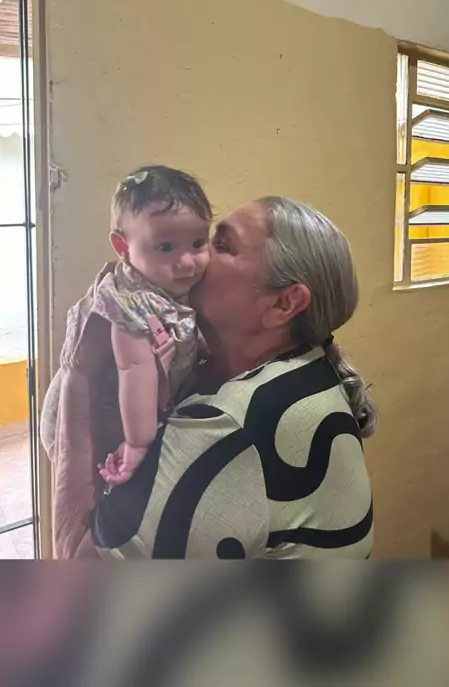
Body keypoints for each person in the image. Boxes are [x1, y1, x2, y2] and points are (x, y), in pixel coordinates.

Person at [46, 196, 378, 559]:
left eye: (221, 245)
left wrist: (78, 369)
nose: (195, 257)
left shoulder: (227, 426)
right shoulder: (304, 367)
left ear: (284, 304)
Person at [42, 164, 212, 486]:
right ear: (123, 248)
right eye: (166, 247)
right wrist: (137, 443)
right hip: (92, 412)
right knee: (90, 482)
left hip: (140, 404)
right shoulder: (130, 301)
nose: (187, 262)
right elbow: (135, 370)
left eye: (198, 243)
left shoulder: (174, 282)